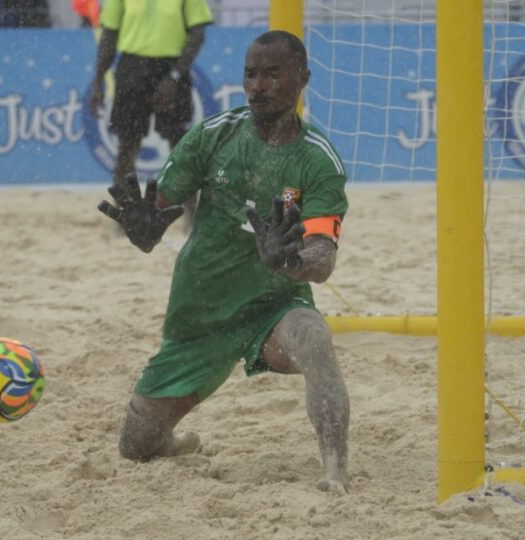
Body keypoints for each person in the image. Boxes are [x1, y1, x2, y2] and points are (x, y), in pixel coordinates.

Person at [98, 30, 351, 494]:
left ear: (302, 78)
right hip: (200, 315)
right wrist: (144, 227)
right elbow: (159, 209)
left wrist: (290, 261)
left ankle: (335, 471)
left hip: (272, 309)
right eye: (251, 74)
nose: (258, 85)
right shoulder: (214, 135)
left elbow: (322, 260)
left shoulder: (318, 161)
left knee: (314, 339)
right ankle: (172, 441)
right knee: (136, 448)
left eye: (273, 74)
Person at [88, 0, 213, 189]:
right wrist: (97, 79)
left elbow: (197, 33)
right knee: (126, 147)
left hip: (172, 69)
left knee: (181, 150)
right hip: (132, 67)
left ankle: (190, 218)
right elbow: (110, 35)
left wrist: (175, 76)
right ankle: (125, 217)